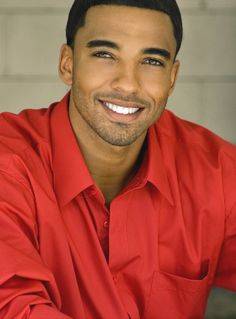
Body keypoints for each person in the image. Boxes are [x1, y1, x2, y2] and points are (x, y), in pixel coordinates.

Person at [0, 0, 235, 318]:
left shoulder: (216, 171)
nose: (128, 83)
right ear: (68, 64)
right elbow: (13, 307)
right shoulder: (10, 164)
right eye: (105, 55)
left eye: (151, 60)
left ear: (172, 77)